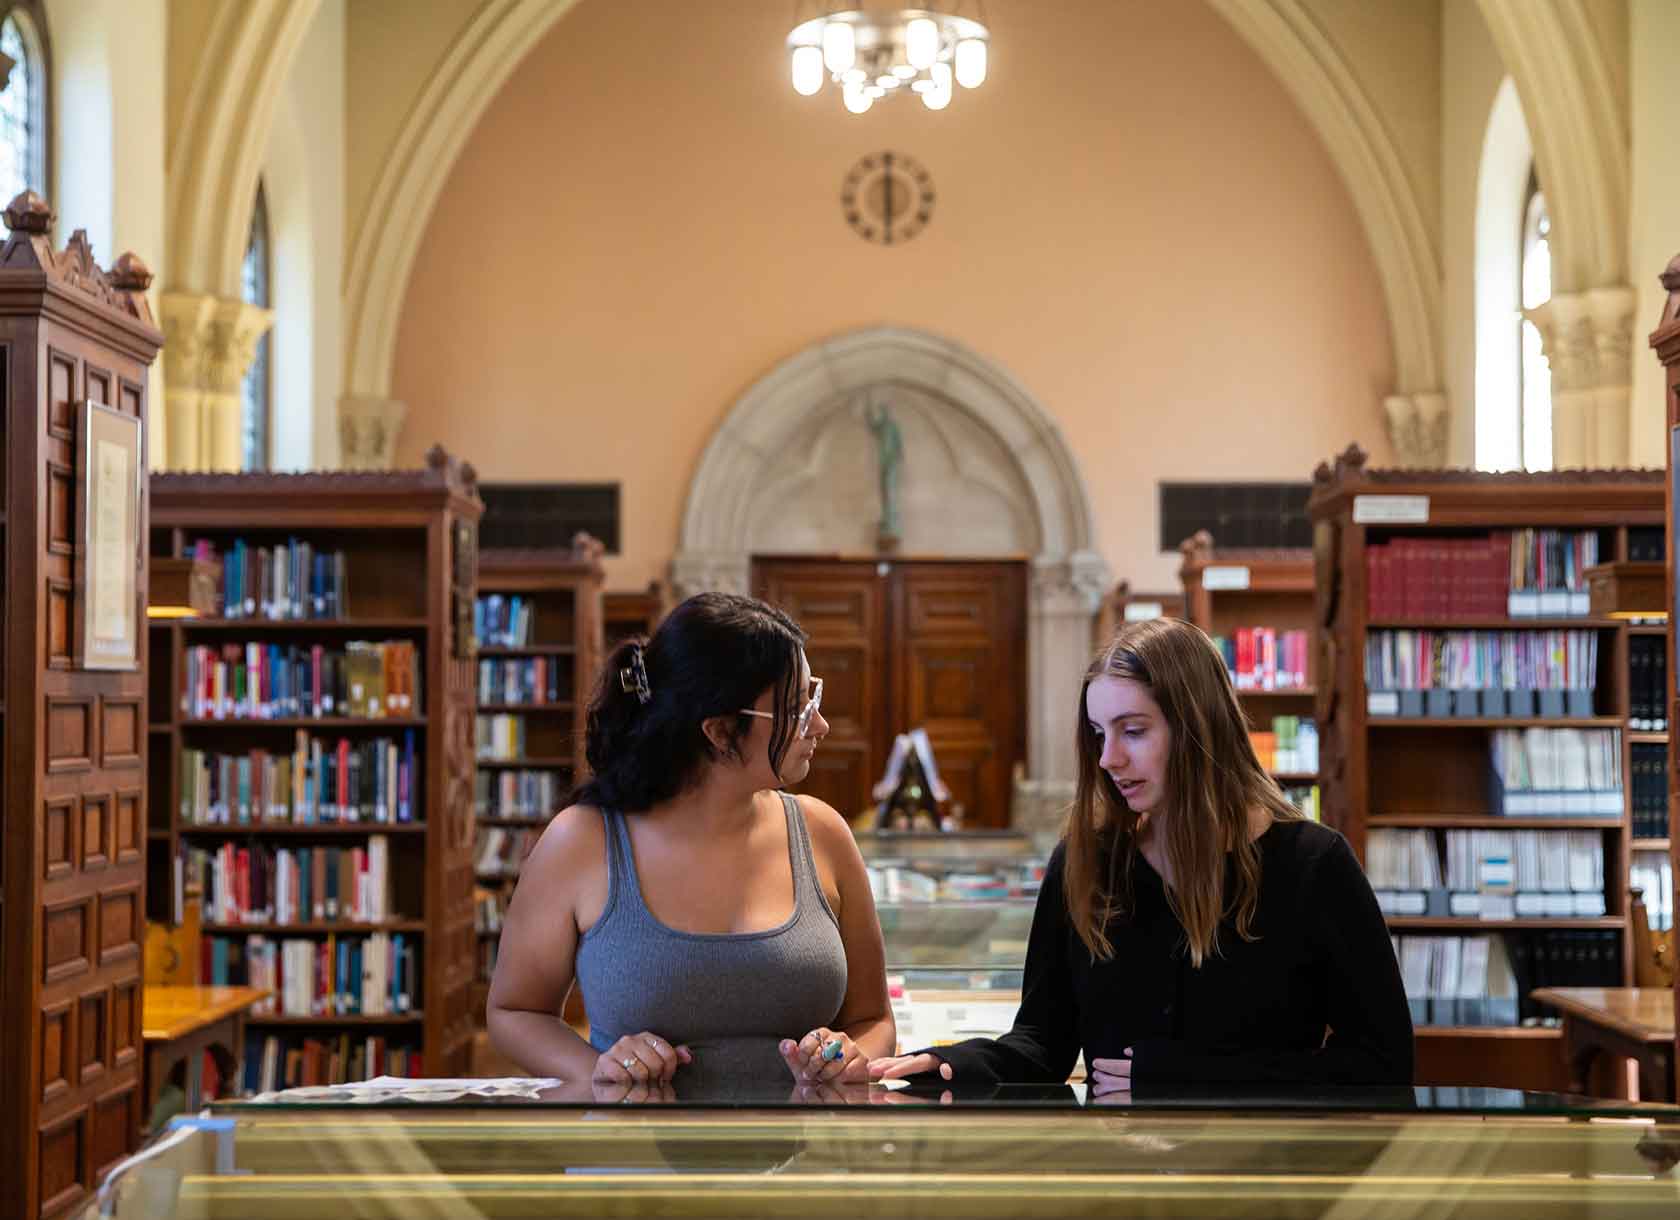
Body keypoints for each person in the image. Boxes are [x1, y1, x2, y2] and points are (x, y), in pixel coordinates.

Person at [870, 616, 1413, 1096]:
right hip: (1117, 1170)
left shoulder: (1313, 864)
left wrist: (1190, 1077)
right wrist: (956, 1061)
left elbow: (1382, 1063)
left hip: (1264, 1170)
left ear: (1198, 727)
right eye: (1098, 734)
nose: (1108, 758)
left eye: (1133, 731)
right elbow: (1043, 1042)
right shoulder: (1087, 863)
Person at [487, 592, 895, 1091]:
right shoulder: (581, 840)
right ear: (720, 731)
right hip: (638, 1140)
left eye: (814, 697)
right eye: (797, 709)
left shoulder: (824, 834)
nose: (821, 726)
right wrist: (598, 1071)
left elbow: (874, 1020)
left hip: (806, 1143)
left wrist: (848, 1057)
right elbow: (515, 1011)